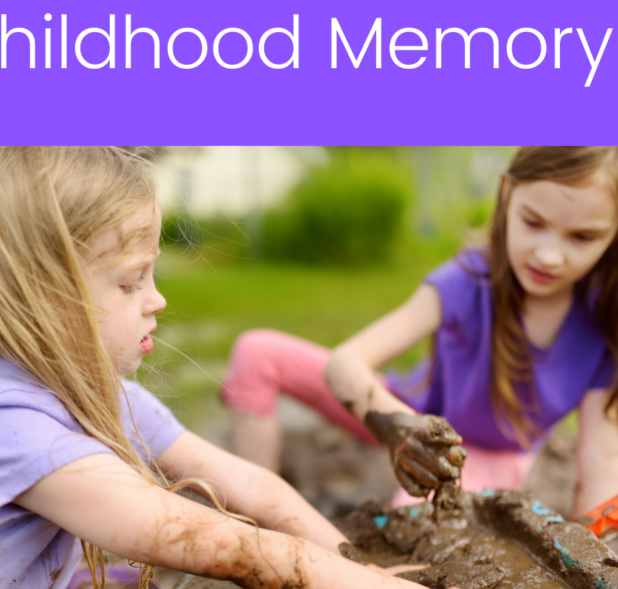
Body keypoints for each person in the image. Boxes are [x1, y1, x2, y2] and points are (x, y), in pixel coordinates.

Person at [0, 146, 485, 589]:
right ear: (36, 301)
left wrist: (361, 570)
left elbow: (252, 486)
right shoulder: (8, 430)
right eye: (129, 282)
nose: (158, 299)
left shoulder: (93, 392)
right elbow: (229, 549)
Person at [222, 147, 618, 518]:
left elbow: (600, 462)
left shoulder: (604, 322)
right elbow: (346, 362)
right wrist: (399, 428)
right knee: (256, 353)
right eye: (533, 223)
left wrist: (593, 548)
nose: (549, 255)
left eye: (582, 237)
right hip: (405, 411)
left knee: (415, 527)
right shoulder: (469, 279)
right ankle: (258, 516)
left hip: (482, 454)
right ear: (506, 194)